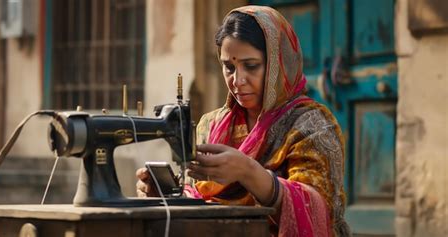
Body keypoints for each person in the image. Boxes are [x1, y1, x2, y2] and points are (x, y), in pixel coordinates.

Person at [137, 5, 350, 237]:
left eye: (251, 66)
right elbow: (197, 194)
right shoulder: (211, 124)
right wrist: (167, 195)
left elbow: (317, 212)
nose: (237, 81)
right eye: (229, 67)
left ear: (279, 65)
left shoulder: (311, 125)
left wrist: (248, 172)